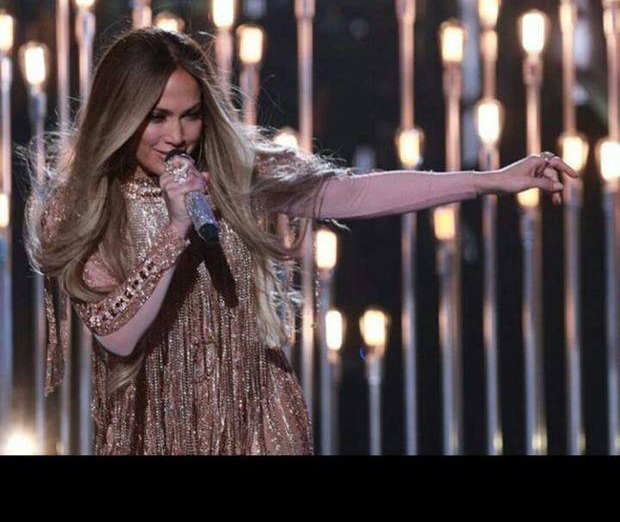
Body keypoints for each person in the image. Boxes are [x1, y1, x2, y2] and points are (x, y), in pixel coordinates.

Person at [24, 26, 578, 456]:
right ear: (120, 115)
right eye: (158, 118)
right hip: (154, 424)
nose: (177, 136)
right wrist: (174, 231)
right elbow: (117, 336)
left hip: (257, 412)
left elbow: (352, 195)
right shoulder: (85, 206)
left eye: (190, 116)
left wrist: (488, 180)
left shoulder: (233, 177)